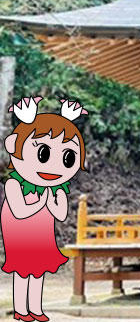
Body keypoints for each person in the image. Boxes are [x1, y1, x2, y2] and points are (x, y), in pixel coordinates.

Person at [2, 97, 88, 322]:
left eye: (68, 158)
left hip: (42, 234)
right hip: (20, 234)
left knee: (37, 271)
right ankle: (22, 308)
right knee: (22, 271)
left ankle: (35, 308)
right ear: (14, 147)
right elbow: (19, 211)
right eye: (43, 154)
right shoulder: (15, 184)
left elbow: (60, 214)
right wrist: (42, 202)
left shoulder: (57, 190)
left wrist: (53, 201)